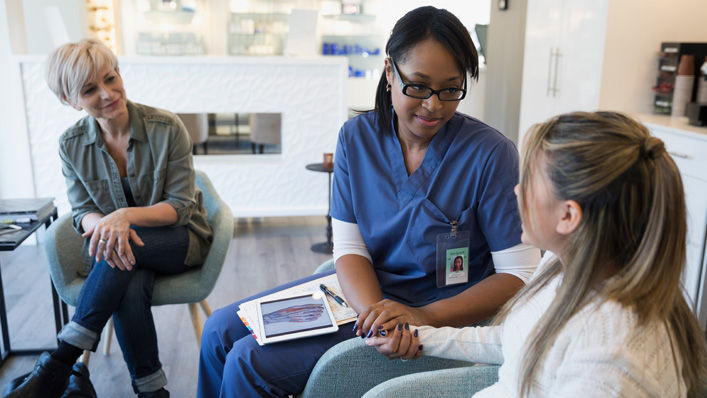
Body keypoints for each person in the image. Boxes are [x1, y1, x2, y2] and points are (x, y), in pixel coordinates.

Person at [198, 6, 539, 397]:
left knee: (248, 364)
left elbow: (519, 275)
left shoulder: (490, 154)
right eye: (418, 86)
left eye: (450, 89)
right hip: (360, 298)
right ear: (390, 72)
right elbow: (349, 246)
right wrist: (375, 313)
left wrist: (421, 316)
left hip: (438, 311)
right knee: (218, 331)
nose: (433, 105)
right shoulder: (356, 138)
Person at [366, 111, 707, 397]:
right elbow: (517, 339)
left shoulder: (610, 361)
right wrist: (420, 333)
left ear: (568, 216)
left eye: (528, 181)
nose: (516, 190)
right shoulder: (563, 264)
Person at [4, 38, 213, 398]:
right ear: (71, 101)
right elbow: (82, 212)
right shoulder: (71, 144)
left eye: (111, 78)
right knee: (127, 274)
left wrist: (122, 217)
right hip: (122, 252)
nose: (108, 93)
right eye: (89, 89)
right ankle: (152, 391)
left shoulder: (167, 128)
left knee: (121, 248)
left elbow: (180, 207)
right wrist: (105, 226)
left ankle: (61, 361)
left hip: (178, 239)